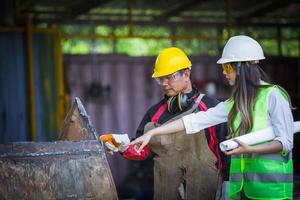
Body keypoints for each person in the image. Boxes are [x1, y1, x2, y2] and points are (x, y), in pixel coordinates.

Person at [130, 36, 294, 200]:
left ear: (243, 67)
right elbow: (193, 121)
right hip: (242, 190)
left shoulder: (274, 95)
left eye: (227, 67)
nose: (223, 72)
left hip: (272, 190)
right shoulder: (235, 103)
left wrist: (249, 149)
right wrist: (152, 133)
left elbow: (285, 142)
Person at [101, 47, 230, 200]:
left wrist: (226, 186)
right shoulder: (154, 113)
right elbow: (142, 149)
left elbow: (225, 150)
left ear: (186, 74)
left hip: (206, 191)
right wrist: (121, 145)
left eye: (170, 77)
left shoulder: (212, 108)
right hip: (167, 191)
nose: (164, 83)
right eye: (160, 79)